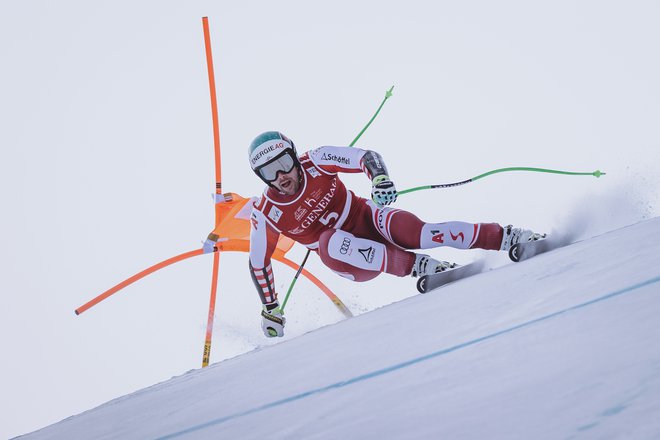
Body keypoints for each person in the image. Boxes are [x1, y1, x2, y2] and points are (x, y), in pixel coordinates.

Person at [204, 131, 542, 337]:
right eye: (268, 172)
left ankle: (508, 236)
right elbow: (259, 263)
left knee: (418, 231)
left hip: (367, 217)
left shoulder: (316, 161)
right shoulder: (266, 212)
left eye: (283, 163)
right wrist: (271, 307)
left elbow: (366, 158)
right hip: (347, 258)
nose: (280, 176)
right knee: (329, 241)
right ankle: (419, 267)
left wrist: (380, 180)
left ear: (293, 155)